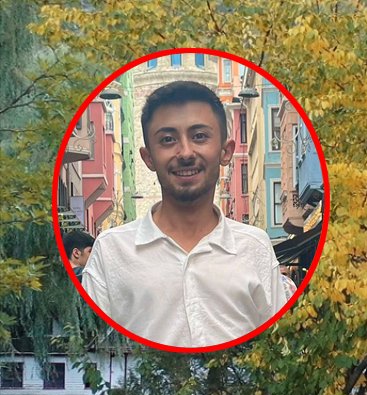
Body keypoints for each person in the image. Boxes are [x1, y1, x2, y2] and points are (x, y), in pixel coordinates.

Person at [81, 80, 288, 348]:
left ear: (226, 151)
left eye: (199, 136)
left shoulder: (255, 247)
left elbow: (278, 346)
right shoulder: (111, 253)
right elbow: (92, 349)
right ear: (149, 158)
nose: (186, 153)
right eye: (168, 140)